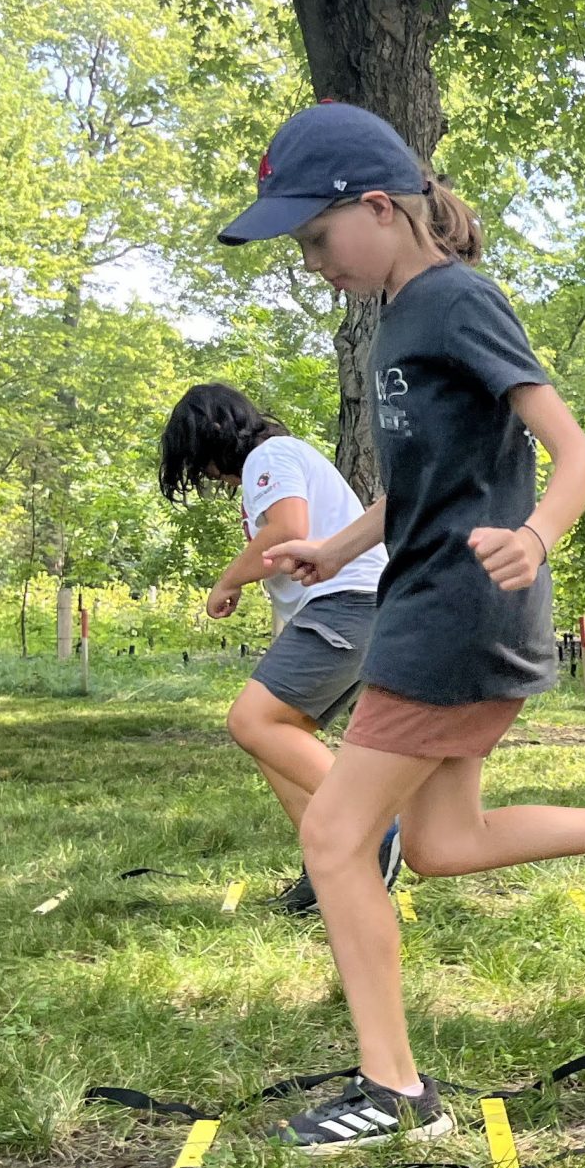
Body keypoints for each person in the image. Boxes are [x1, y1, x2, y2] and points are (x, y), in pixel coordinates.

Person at [218, 101, 585, 1150]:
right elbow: (426, 483)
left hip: (459, 611)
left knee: (334, 835)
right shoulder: (397, 318)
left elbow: (576, 452)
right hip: (425, 599)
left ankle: (395, 1093)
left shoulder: (456, 300)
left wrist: (541, 536)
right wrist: (335, 546)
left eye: (317, 237)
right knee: (443, 842)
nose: (313, 262)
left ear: (380, 207)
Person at [155, 382, 402, 912]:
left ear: (215, 435)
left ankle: (372, 825)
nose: (209, 476)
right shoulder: (276, 460)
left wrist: (227, 580)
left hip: (346, 603)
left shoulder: (269, 455)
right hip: (351, 607)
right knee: (274, 739)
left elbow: (289, 529)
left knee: (251, 721)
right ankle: (328, 865)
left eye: (201, 463)